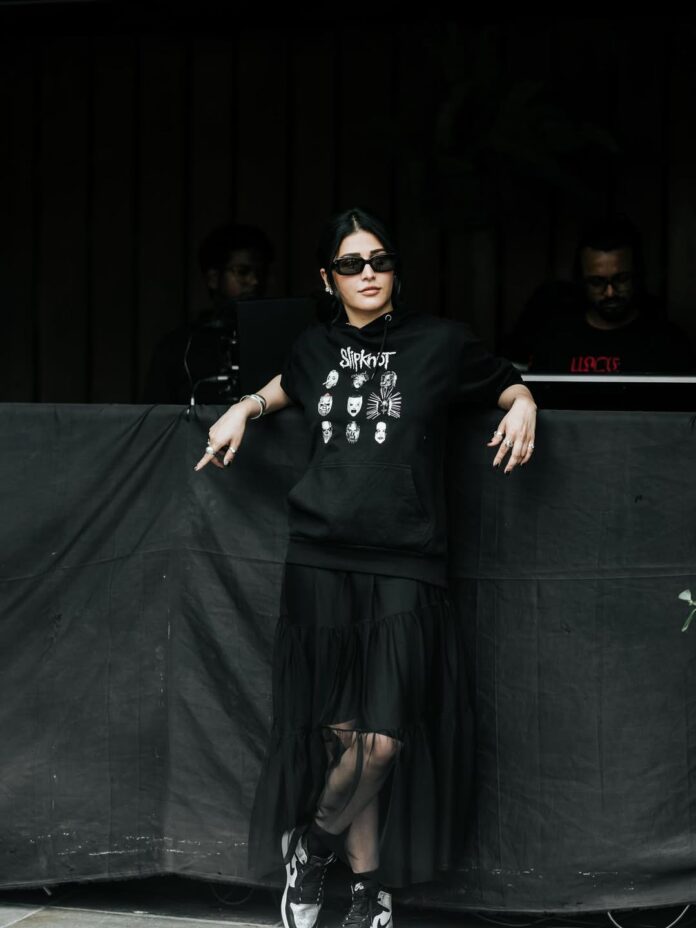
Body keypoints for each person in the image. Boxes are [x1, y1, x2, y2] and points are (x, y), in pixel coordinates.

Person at [194, 208, 537, 928]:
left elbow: (504, 382)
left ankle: (312, 846)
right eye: (351, 265)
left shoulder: (439, 342)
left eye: (379, 260)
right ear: (328, 279)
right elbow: (289, 382)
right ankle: (367, 889)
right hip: (321, 556)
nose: (368, 274)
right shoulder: (314, 346)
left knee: (383, 741)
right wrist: (244, 408)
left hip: (407, 560)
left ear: (395, 268)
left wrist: (524, 403)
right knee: (344, 736)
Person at [508, 215, 695, 373]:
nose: (610, 292)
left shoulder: (668, 343)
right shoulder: (555, 340)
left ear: (637, 275)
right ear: (582, 280)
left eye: (621, 279)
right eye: (597, 282)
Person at [142, 222, 274, 404]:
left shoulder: (277, 339)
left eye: (261, 272)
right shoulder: (180, 347)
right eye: (242, 272)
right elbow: (155, 413)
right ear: (213, 278)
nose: (255, 281)